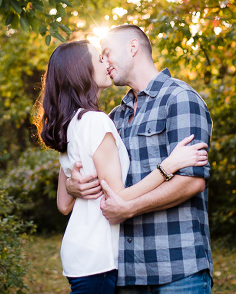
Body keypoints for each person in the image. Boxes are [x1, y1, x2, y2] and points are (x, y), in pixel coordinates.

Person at [35, 39, 208, 294]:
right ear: (81, 71)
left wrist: (73, 185)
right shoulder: (103, 119)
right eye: (99, 58)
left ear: (133, 47)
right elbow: (115, 197)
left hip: (94, 255)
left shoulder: (72, 123)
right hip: (102, 259)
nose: (106, 63)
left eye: (107, 54)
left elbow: (63, 204)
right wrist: (168, 166)